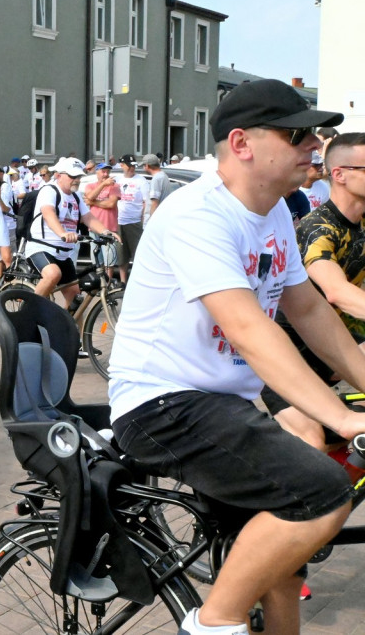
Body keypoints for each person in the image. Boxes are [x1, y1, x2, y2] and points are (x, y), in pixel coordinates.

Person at [107, 79, 361, 635]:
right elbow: (248, 330)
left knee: (283, 565)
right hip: (162, 404)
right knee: (321, 493)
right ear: (242, 144)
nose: (313, 146)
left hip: (220, 402)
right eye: (297, 134)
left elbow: (310, 312)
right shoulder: (197, 214)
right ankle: (212, 621)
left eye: (314, 135)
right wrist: (341, 415)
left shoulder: (273, 211)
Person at [261, 132, 365, 450]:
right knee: (312, 443)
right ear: (340, 174)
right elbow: (336, 291)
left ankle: (340, 494)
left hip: (333, 353)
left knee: (345, 450)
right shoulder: (317, 228)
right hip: (287, 358)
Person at [24, 157, 112, 305]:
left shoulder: (76, 196)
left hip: (64, 254)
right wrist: (62, 233)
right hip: (42, 248)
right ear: (58, 175)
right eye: (72, 176)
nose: (76, 180)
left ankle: (71, 328)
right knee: (53, 274)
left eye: (78, 176)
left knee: (75, 300)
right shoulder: (49, 190)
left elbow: (88, 217)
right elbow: (48, 213)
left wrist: (106, 232)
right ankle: (27, 313)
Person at [84, 162, 121, 278]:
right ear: (97, 172)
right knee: (96, 259)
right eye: (103, 171)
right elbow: (89, 196)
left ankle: (108, 283)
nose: (106, 174)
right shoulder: (90, 186)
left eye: (107, 172)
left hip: (109, 226)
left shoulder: (115, 186)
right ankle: (99, 283)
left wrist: (93, 202)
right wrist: (103, 184)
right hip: (94, 227)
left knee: (109, 259)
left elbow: (111, 204)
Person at [115, 154, 145, 282]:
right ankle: (123, 281)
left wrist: (143, 221)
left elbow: (146, 202)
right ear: (122, 165)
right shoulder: (117, 180)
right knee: (122, 254)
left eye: (133, 166)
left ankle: (138, 280)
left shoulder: (141, 180)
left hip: (134, 221)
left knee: (138, 253)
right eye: (129, 166)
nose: (132, 168)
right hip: (119, 220)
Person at [141, 154, 167, 225]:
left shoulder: (156, 179)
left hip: (154, 222)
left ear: (147, 165)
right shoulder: (164, 176)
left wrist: (152, 223)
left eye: (143, 166)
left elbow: (154, 203)